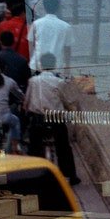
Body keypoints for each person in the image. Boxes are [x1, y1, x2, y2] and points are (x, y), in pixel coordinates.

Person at [25, 53, 81, 184]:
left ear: (41, 65)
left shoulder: (33, 81)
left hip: (38, 119)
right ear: (54, 65)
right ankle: (71, 176)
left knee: (34, 147)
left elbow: (26, 102)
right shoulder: (59, 82)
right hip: (56, 119)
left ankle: (32, 174)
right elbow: (67, 102)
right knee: (64, 147)